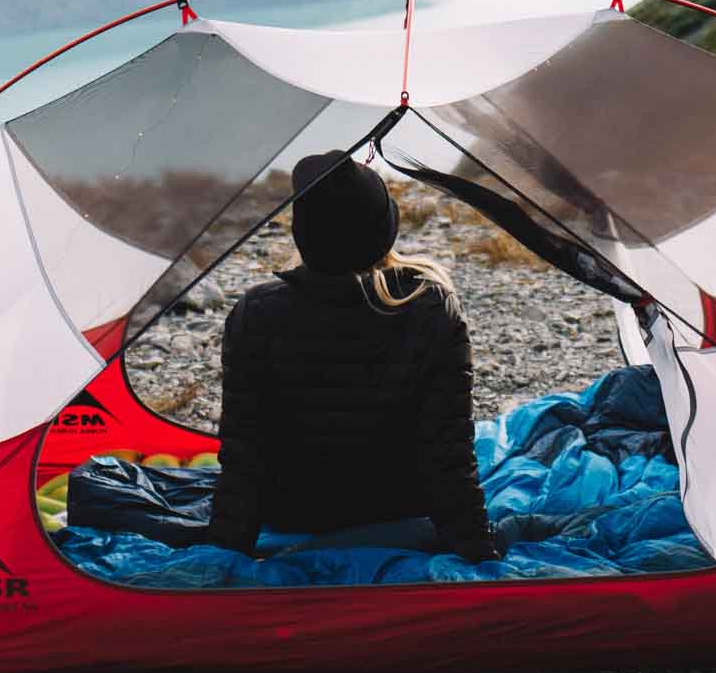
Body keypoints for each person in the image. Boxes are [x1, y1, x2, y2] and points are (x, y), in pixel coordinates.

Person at [202, 150, 503, 562]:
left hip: (295, 515)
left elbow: (245, 457)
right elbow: (447, 455)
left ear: (303, 237)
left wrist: (224, 557)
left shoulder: (256, 314)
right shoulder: (431, 306)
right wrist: (480, 552)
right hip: (401, 512)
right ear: (385, 233)